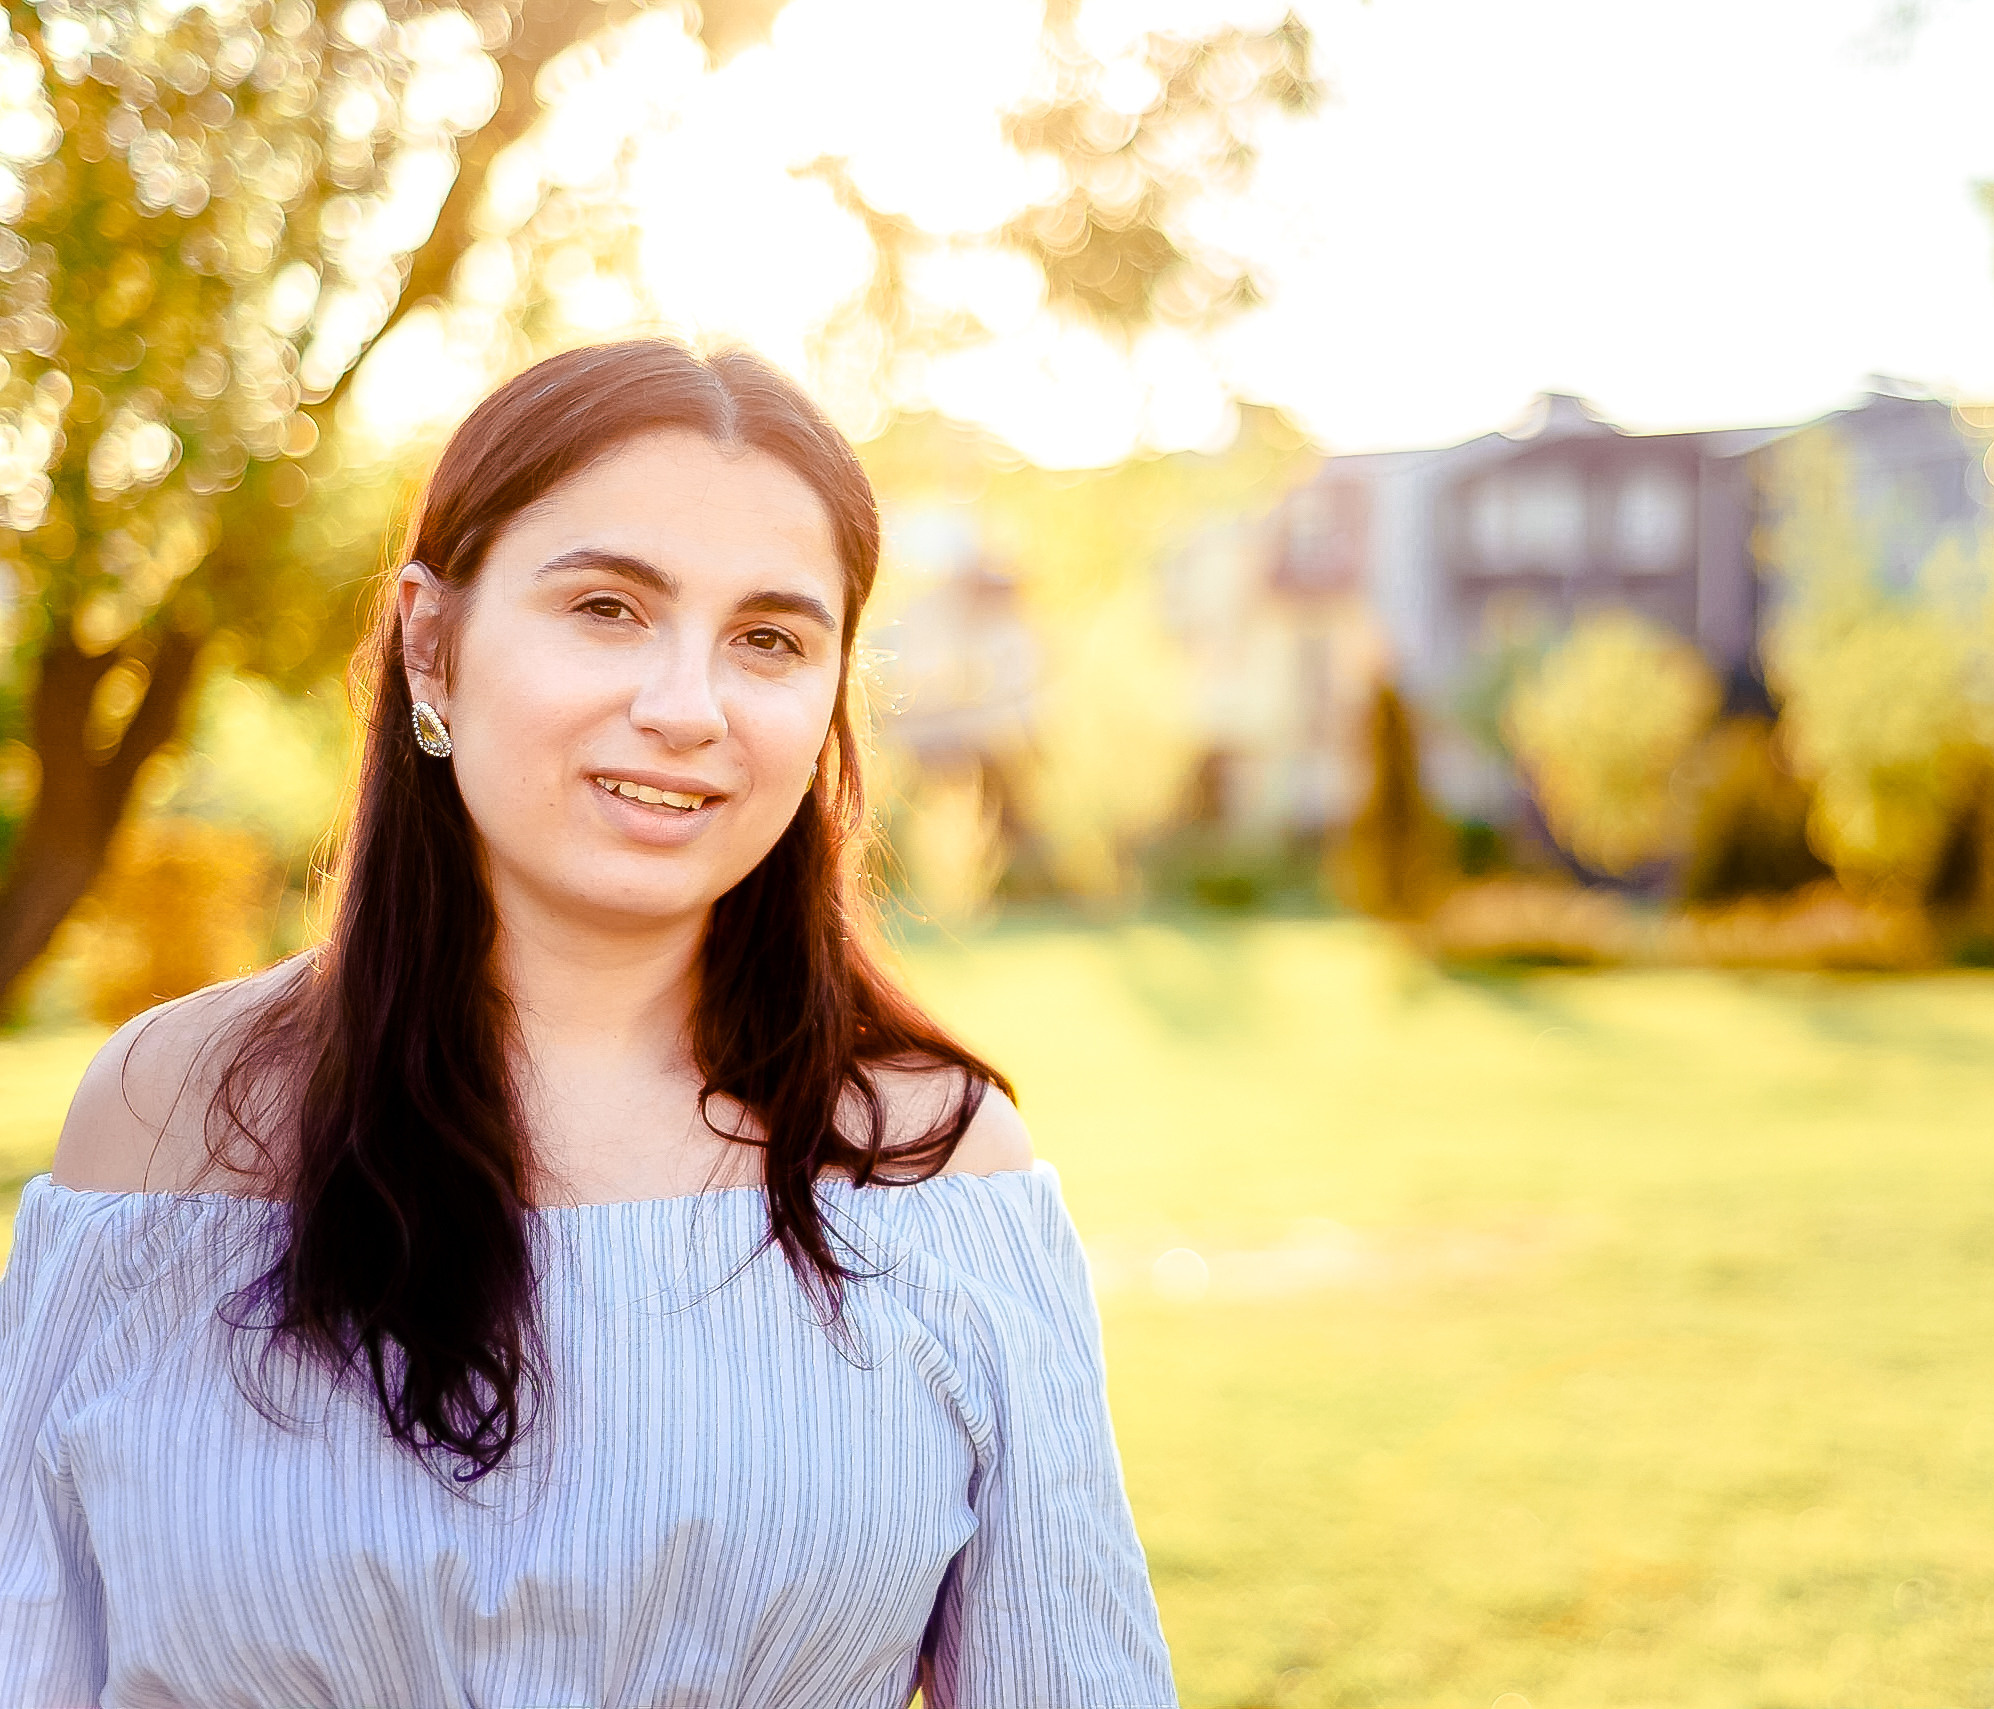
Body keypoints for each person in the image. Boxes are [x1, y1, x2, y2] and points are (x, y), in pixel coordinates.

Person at [0, 340, 1178, 1708]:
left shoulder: (934, 1167)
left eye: (770, 638)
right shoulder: (163, 1120)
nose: (686, 707)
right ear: (431, 641)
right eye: (609, 606)